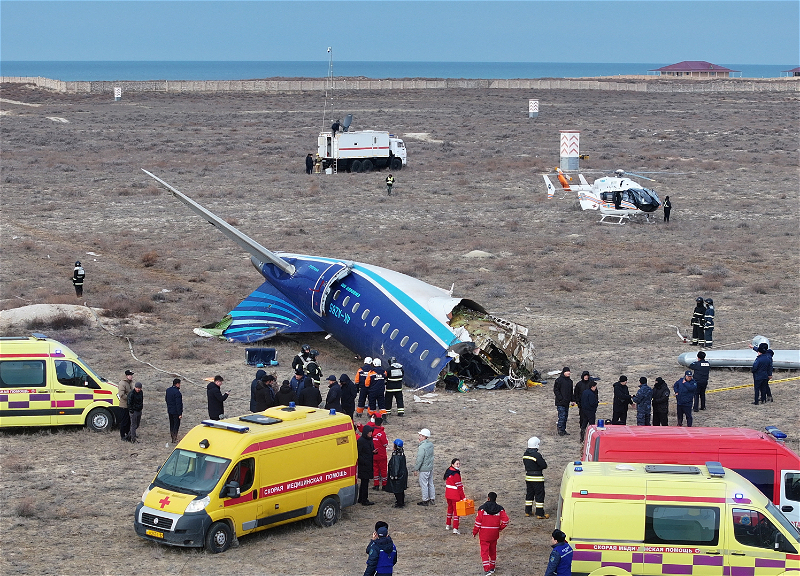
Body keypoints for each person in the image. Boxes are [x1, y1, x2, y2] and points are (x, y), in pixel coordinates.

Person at [472, 491, 510, 576]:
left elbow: (478, 522)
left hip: (484, 534)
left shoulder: (482, 509)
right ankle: (492, 567)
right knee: (493, 551)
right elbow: (506, 521)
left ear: (488, 498)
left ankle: (487, 569)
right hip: (494, 533)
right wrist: (500, 528)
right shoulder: (500, 509)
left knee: (484, 552)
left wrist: (475, 532)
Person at [523, 436, 548, 519]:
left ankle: (528, 511)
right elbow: (544, 465)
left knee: (529, 494)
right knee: (539, 495)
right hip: (537, 478)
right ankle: (540, 513)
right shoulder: (536, 455)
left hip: (528, 477)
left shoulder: (525, 454)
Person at [444, 458, 466, 534]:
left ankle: (448, 525)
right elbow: (459, 487)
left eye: (459, 464)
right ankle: (455, 529)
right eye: (457, 464)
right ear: (453, 464)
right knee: (456, 512)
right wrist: (464, 497)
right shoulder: (456, 474)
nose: (458, 465)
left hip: (448, 494)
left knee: (450, 509)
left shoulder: (448, 472)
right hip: (455, 496)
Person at [413, 428, 435, 506]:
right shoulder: (430, 445)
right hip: (430, 468)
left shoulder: (422, 447)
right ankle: (432, 498)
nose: (419, 437)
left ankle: (425, 500)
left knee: (424, 485)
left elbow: (419, 459)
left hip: (424, 469)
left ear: (424, 437)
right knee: (430, 483)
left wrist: (416, 469)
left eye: (420, 435)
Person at [357, 425, 376, 506]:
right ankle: (364, 499)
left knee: (365, 482)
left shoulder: (369, 440)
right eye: (369, 432)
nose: (371, 433)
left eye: (371, 432)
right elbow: (358, 453)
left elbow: (370, 449)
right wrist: (364, 461)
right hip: (364, 465)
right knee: (364, 482)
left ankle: (361, 498)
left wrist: (374, 452)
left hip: (368, 463)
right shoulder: (361, 441)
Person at [387, 439, 408, 508]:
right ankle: (401, 501)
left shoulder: (396, 455)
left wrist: (394, 475)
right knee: (401, 489)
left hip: (398, 475)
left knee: (397, 490)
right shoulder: (401, 453)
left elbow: (395, 466)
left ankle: (400, 503)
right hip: (402, 474)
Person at [553, 367, 573, 436]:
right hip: (560, 402)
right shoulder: (559, 380)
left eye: (569, 371)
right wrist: (560, 398)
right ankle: (560, 429)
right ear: (563, 372)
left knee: (565, 416)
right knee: (562, 416)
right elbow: (556, 390)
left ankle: (563, 429)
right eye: (567, 371)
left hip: (566, 402)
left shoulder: (570, 381)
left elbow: (570, 392)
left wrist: (572, 400)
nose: (568, 373)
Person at [372, 417, 389, 490]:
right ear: (381, 424)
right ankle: (384, 485)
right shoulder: (382, 434)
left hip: (373, 455)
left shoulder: (371, 432)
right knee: (383, 470)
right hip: (381, 455)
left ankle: (376, 485)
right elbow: (385, 444)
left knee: (375, 470)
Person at [117, 369, 135, 441]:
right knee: (124, 421)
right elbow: (121, 394)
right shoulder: (122, 383)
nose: (132, 377)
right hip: (124, 406)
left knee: (128, 421)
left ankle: (128, 434)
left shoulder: (129, 383)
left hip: (129, 405)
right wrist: (129, 398)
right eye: (130, 375)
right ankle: (122, 435)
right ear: (127, 376)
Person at [165, 378, 183, 444]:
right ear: (177, 384)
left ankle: (172, 436)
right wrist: (180, 413)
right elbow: (178, 404)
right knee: (176, 424)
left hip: (170, 410)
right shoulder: (177, 393)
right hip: (176, 412)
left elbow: (166, 399)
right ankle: (174, 438)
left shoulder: (168, 390)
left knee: (171, 424)